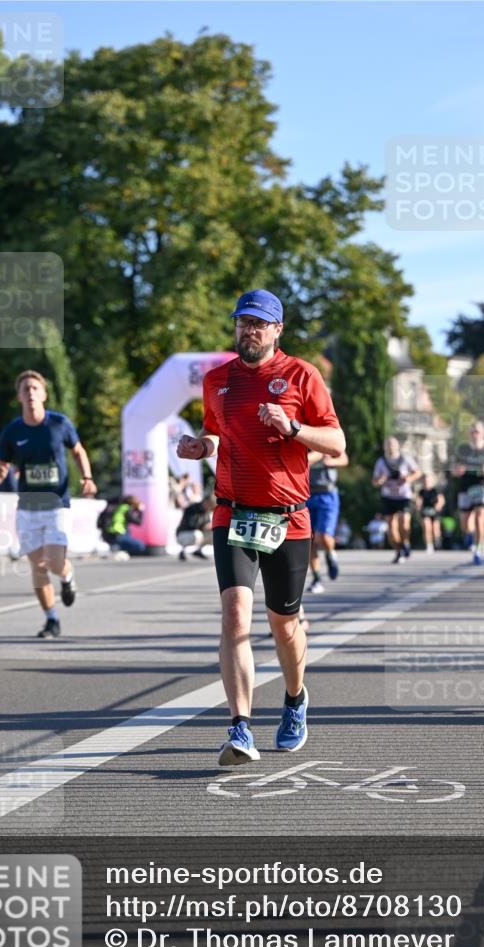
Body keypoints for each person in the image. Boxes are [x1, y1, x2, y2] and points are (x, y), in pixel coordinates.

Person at [176, 289, 345, 766]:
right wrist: (200, 446)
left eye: (258, 323)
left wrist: (292, 427)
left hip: (287, 518)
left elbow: (336, 441)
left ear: (277, 331)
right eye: (242, 322)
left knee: (284, 626)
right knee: (234, 616)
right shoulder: (217, 380)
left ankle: (294, 700)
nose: (248, 330)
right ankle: (240, 727)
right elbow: (214, 432)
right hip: (233, 512)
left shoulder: (301, 375)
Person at [0, 370, 96, 638]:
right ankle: (51, 619)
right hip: (27, 508)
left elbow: (78, 451)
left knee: (55, 562)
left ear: (44, 394)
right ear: (19, 396)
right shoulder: (13, 430)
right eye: (25, 389)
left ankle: (67, 578)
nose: (31, 392)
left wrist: (87, 477)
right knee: (37, 567)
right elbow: (1, 463)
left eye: (35, 388)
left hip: (57, 504)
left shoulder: (59, 423)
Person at [451, 420, 484, 565]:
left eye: (477, 431)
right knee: (466, 525)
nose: (474, 434)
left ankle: (478, 549)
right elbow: (453, 469)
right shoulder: (463, 450)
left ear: (483, 433)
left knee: (480, 516)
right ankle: (480, 538)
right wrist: (457, 471)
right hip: (466, 488)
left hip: (482, 487)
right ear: (469, 433)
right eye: (472, 431)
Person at [372, 437, 421, 562]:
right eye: (388, 444)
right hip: (388, 496)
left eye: (392, 444)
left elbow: (417, 472)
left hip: (404, 495)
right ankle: (399, 550)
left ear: (397, 446)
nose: (390, 447)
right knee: (391, 527)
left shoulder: (405, 459)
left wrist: (408, 479)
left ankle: (405, 542)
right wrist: (380, 480)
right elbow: (374, 482)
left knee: (404, 521)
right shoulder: (381, 462)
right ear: (384, 447)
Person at [306, 448, 348, 593]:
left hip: (327, 494)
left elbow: (344, 459)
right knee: (309, 539)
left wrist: (331, 461)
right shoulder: (299, 436)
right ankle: (316, 578)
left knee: (323, 535)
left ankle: (330, 554)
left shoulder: (325, 435)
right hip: (307, 495)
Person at [177, 495, 214, 560]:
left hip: (198, 532)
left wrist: (209, 526)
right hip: (183, 533)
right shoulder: (192, 508)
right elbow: (191, 524)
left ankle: (198, 551)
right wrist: (204, 526)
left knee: (213, 534)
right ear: (205, 502)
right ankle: (182, 551)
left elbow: (207, 523)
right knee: (197, 534)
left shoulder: (206, 511)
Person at [416, 473, 445, 553]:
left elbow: (441, 500)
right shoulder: (421, 491)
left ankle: (437, 541)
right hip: (425, 511)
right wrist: (418, 507)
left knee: (435, 528)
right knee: (426, 526)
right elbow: (419, 500)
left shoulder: (436, 490)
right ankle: (429, 545)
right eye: (425, 481)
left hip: (434, 511)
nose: (426, 482)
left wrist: (438, 505)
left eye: (428, 480)